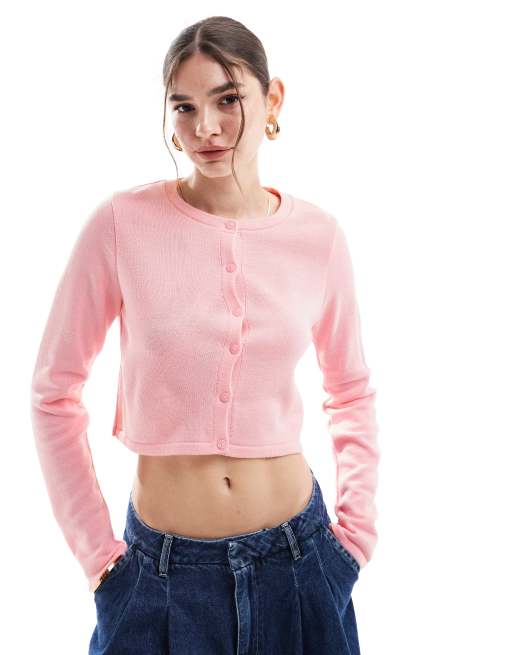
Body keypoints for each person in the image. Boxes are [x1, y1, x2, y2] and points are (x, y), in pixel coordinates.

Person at [30, 15, 380, 655]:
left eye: (227, 100)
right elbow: (53, 393)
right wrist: (99, 559)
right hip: (157, 578)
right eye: (184, 107)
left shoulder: (319, 238)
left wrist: (353, 540)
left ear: (272, 100)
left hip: (300, 568)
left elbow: (351, 391)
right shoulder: (121, 225)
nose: (205, 129)